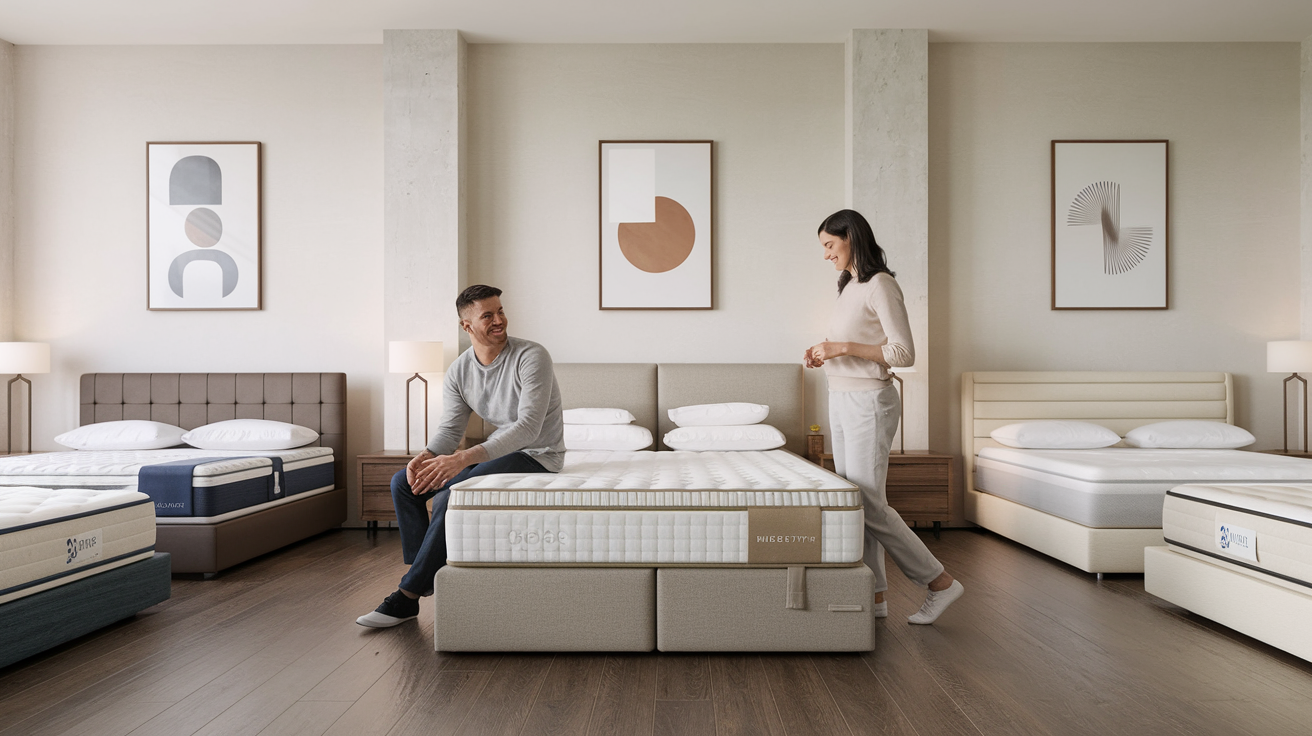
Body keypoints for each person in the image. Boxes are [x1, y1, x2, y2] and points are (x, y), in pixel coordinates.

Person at [357, 284, 565, 628]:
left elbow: (528, 428)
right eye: (488, 315)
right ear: (466, 325)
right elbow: (451, 429)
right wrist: (426, 455)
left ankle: (407, 595)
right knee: (403, 483)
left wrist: (463, 459)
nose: (499, 320)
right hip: (497, 451)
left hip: (537, 455)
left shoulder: (532, 356)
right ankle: (424, 575)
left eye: (500, 311)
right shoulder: (459, 370)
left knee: (451, 495)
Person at [804, 209, 964, 625]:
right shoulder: (849, 287)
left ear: (851, 238)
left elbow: (902, 353)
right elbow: (856, 344)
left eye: (829, 245)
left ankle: (939, 582)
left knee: (868, 503)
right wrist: (825, 352)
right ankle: (873, 597)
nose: (826, 254)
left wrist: (842, 348)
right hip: (842, 398)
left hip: (869, 403)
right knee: (857, 501)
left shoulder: (881, 284)